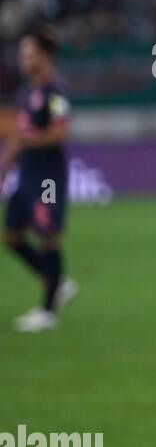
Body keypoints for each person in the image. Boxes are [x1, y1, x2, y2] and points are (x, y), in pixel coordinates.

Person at [1, 24, 77, 332]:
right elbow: (19, 133)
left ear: (45, 56)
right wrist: (7, 161)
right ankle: (57, 281)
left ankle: (48, 311)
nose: (23, 58)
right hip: (27, 174)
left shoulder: (55, 92)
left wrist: (29, 139)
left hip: (47, 177)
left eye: (29, 52)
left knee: (48, 235)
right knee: (11, 236)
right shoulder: (27, 91)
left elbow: (61, 132)